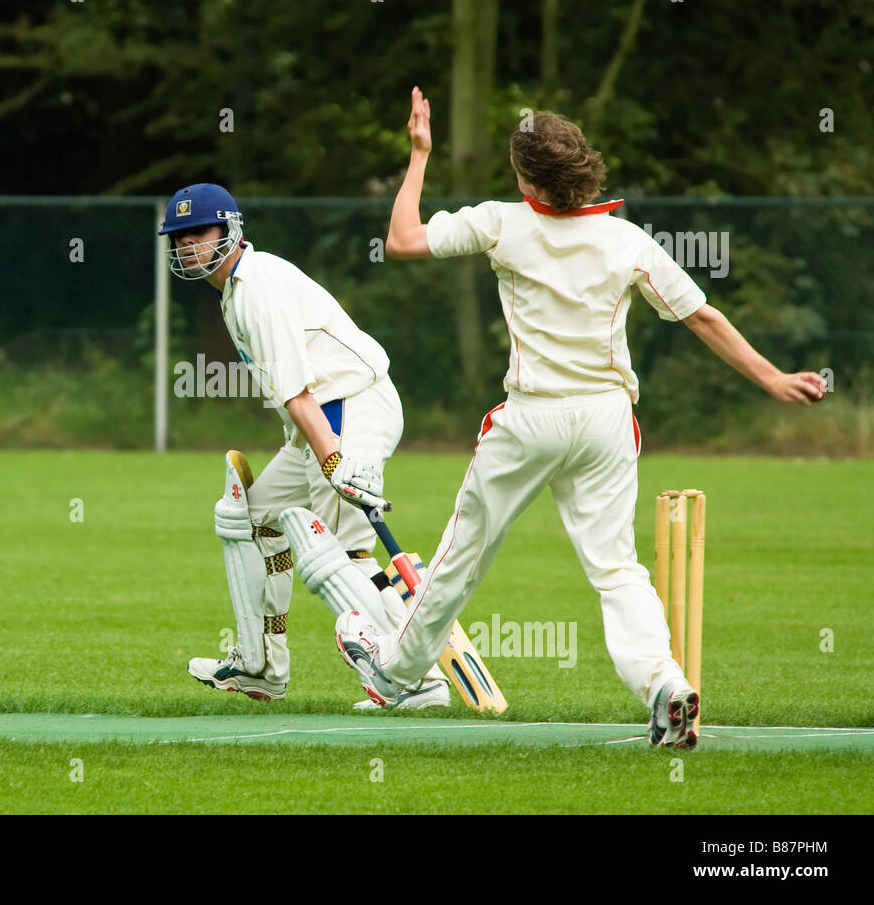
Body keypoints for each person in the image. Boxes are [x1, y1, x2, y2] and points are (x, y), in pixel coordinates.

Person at [297, 89, 825, 746]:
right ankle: (663, 684)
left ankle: (399, 671)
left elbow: (402, 239)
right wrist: (773, 377)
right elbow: (702, 317)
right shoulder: (625, 239)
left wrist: (420, 154)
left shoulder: (502, 223)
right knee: (617, 567)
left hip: (532, 418)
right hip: (606, 422)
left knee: (463, 556)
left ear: (525, 179)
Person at [160, 182, 450, 709]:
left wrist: (333, 458)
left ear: (229, 231)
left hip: (349, 407)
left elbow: (297, 390)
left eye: (197, 232)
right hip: (319, 417)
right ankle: (261, 665)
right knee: (251, 519)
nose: (186, 244)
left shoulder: (257, 287)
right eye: (178, 237)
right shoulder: (235, 290)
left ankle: (416, 679)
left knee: (343, 552)